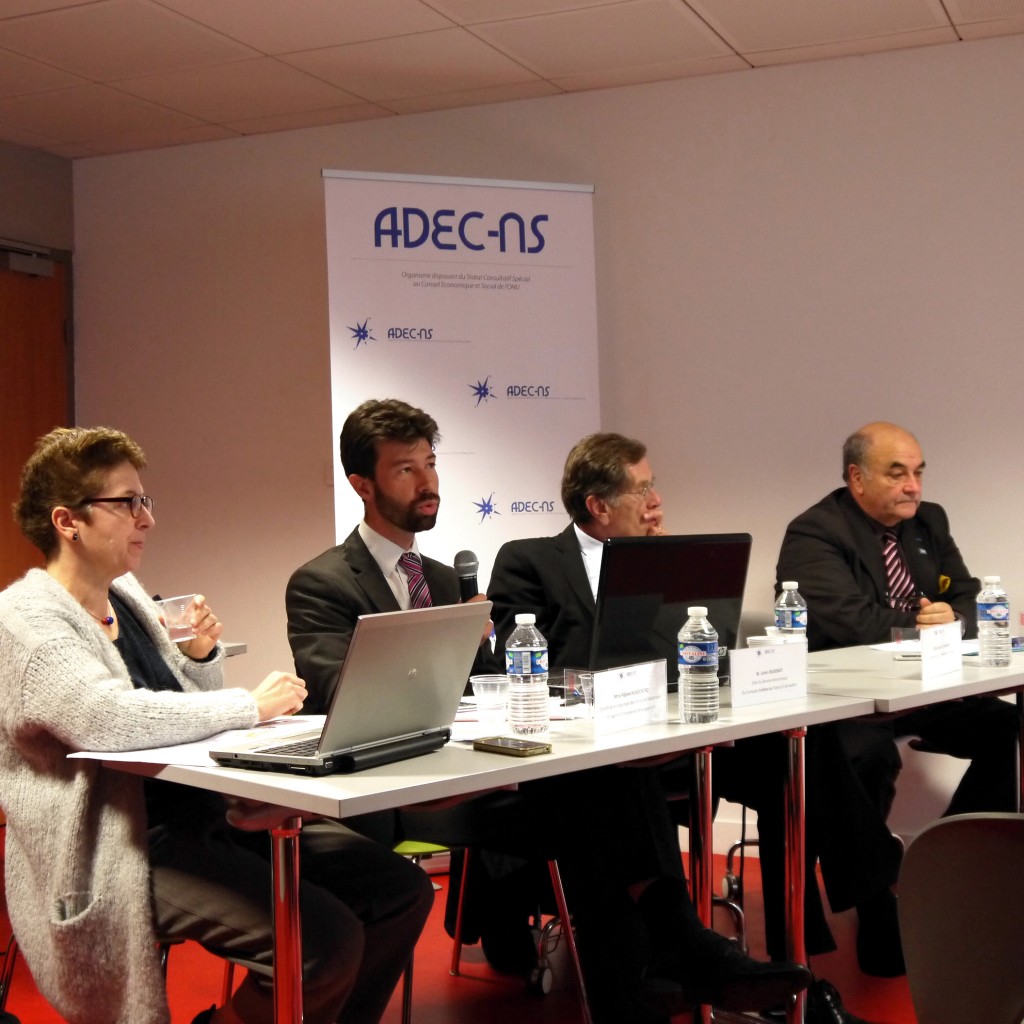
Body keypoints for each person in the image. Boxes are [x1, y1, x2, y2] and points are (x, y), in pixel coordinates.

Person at [286, 401, 810, 1024]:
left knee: (605, 784)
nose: (428, 483)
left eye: (430, 464)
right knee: (602, 804)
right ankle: (674, 949)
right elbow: (335, 690)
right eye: (406, 470)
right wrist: (440, 651)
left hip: (477, 774)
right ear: (362, 484)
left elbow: (486, 689)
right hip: (397, 790)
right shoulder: (323, 582)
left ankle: (654, 977)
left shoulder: (443, 579)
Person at [0, 426, 433, 1024]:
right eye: (127, 503)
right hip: (121, 849)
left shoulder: (126, 597)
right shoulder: (25, 623)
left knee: (399, 891)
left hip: (205, 815)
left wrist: (200, 660)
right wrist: (248, 705)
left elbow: (183, 713)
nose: (147, 518)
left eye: (145, 500)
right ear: (67, 521)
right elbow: (106, 718)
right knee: (323, 947)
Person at [487, 431, 885, 1024]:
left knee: (797, 743)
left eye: (654, 487)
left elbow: (702, 650)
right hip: (597, 742)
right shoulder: (530, 560)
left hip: (677, 726)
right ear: (597, 505)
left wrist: (667, 578)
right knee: (621, 769)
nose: (656, 502)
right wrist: (628, 590)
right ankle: (688, 943)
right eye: (642, 490)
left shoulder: (668, 556)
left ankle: (845, 915)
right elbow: (528, 668)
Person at [776, 421, 1019, 821]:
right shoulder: (816, 531)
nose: (913, 487)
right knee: (867, 756)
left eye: (918, 472)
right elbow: (851, 622)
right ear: (857, 478)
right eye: (897, 474)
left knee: (1014, 730)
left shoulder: (929, 521)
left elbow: (969, 597)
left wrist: (954, 618)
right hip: (848, 698)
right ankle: (869, 865)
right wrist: (925, 626)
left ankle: (956, 846)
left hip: (922, 687)